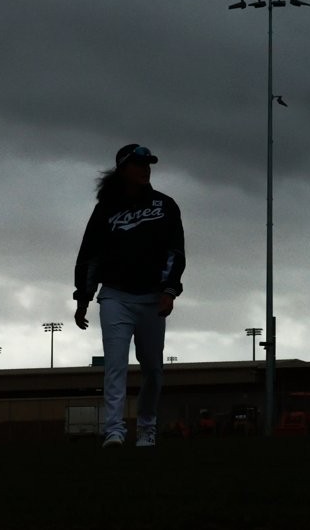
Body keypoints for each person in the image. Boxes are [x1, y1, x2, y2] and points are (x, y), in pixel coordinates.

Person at [73, 144, 186, 448]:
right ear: (123, 169)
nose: (145, 168)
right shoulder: (106, 209)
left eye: (148, 163)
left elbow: (175, 251)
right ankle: (114, 430)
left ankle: (147, 426)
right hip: (115, 297)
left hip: (152, 299)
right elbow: (90, 256)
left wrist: (169, 289)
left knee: (152, 369)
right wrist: (83, 298)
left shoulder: (165, 205)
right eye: (138, 164)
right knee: (115, 365)